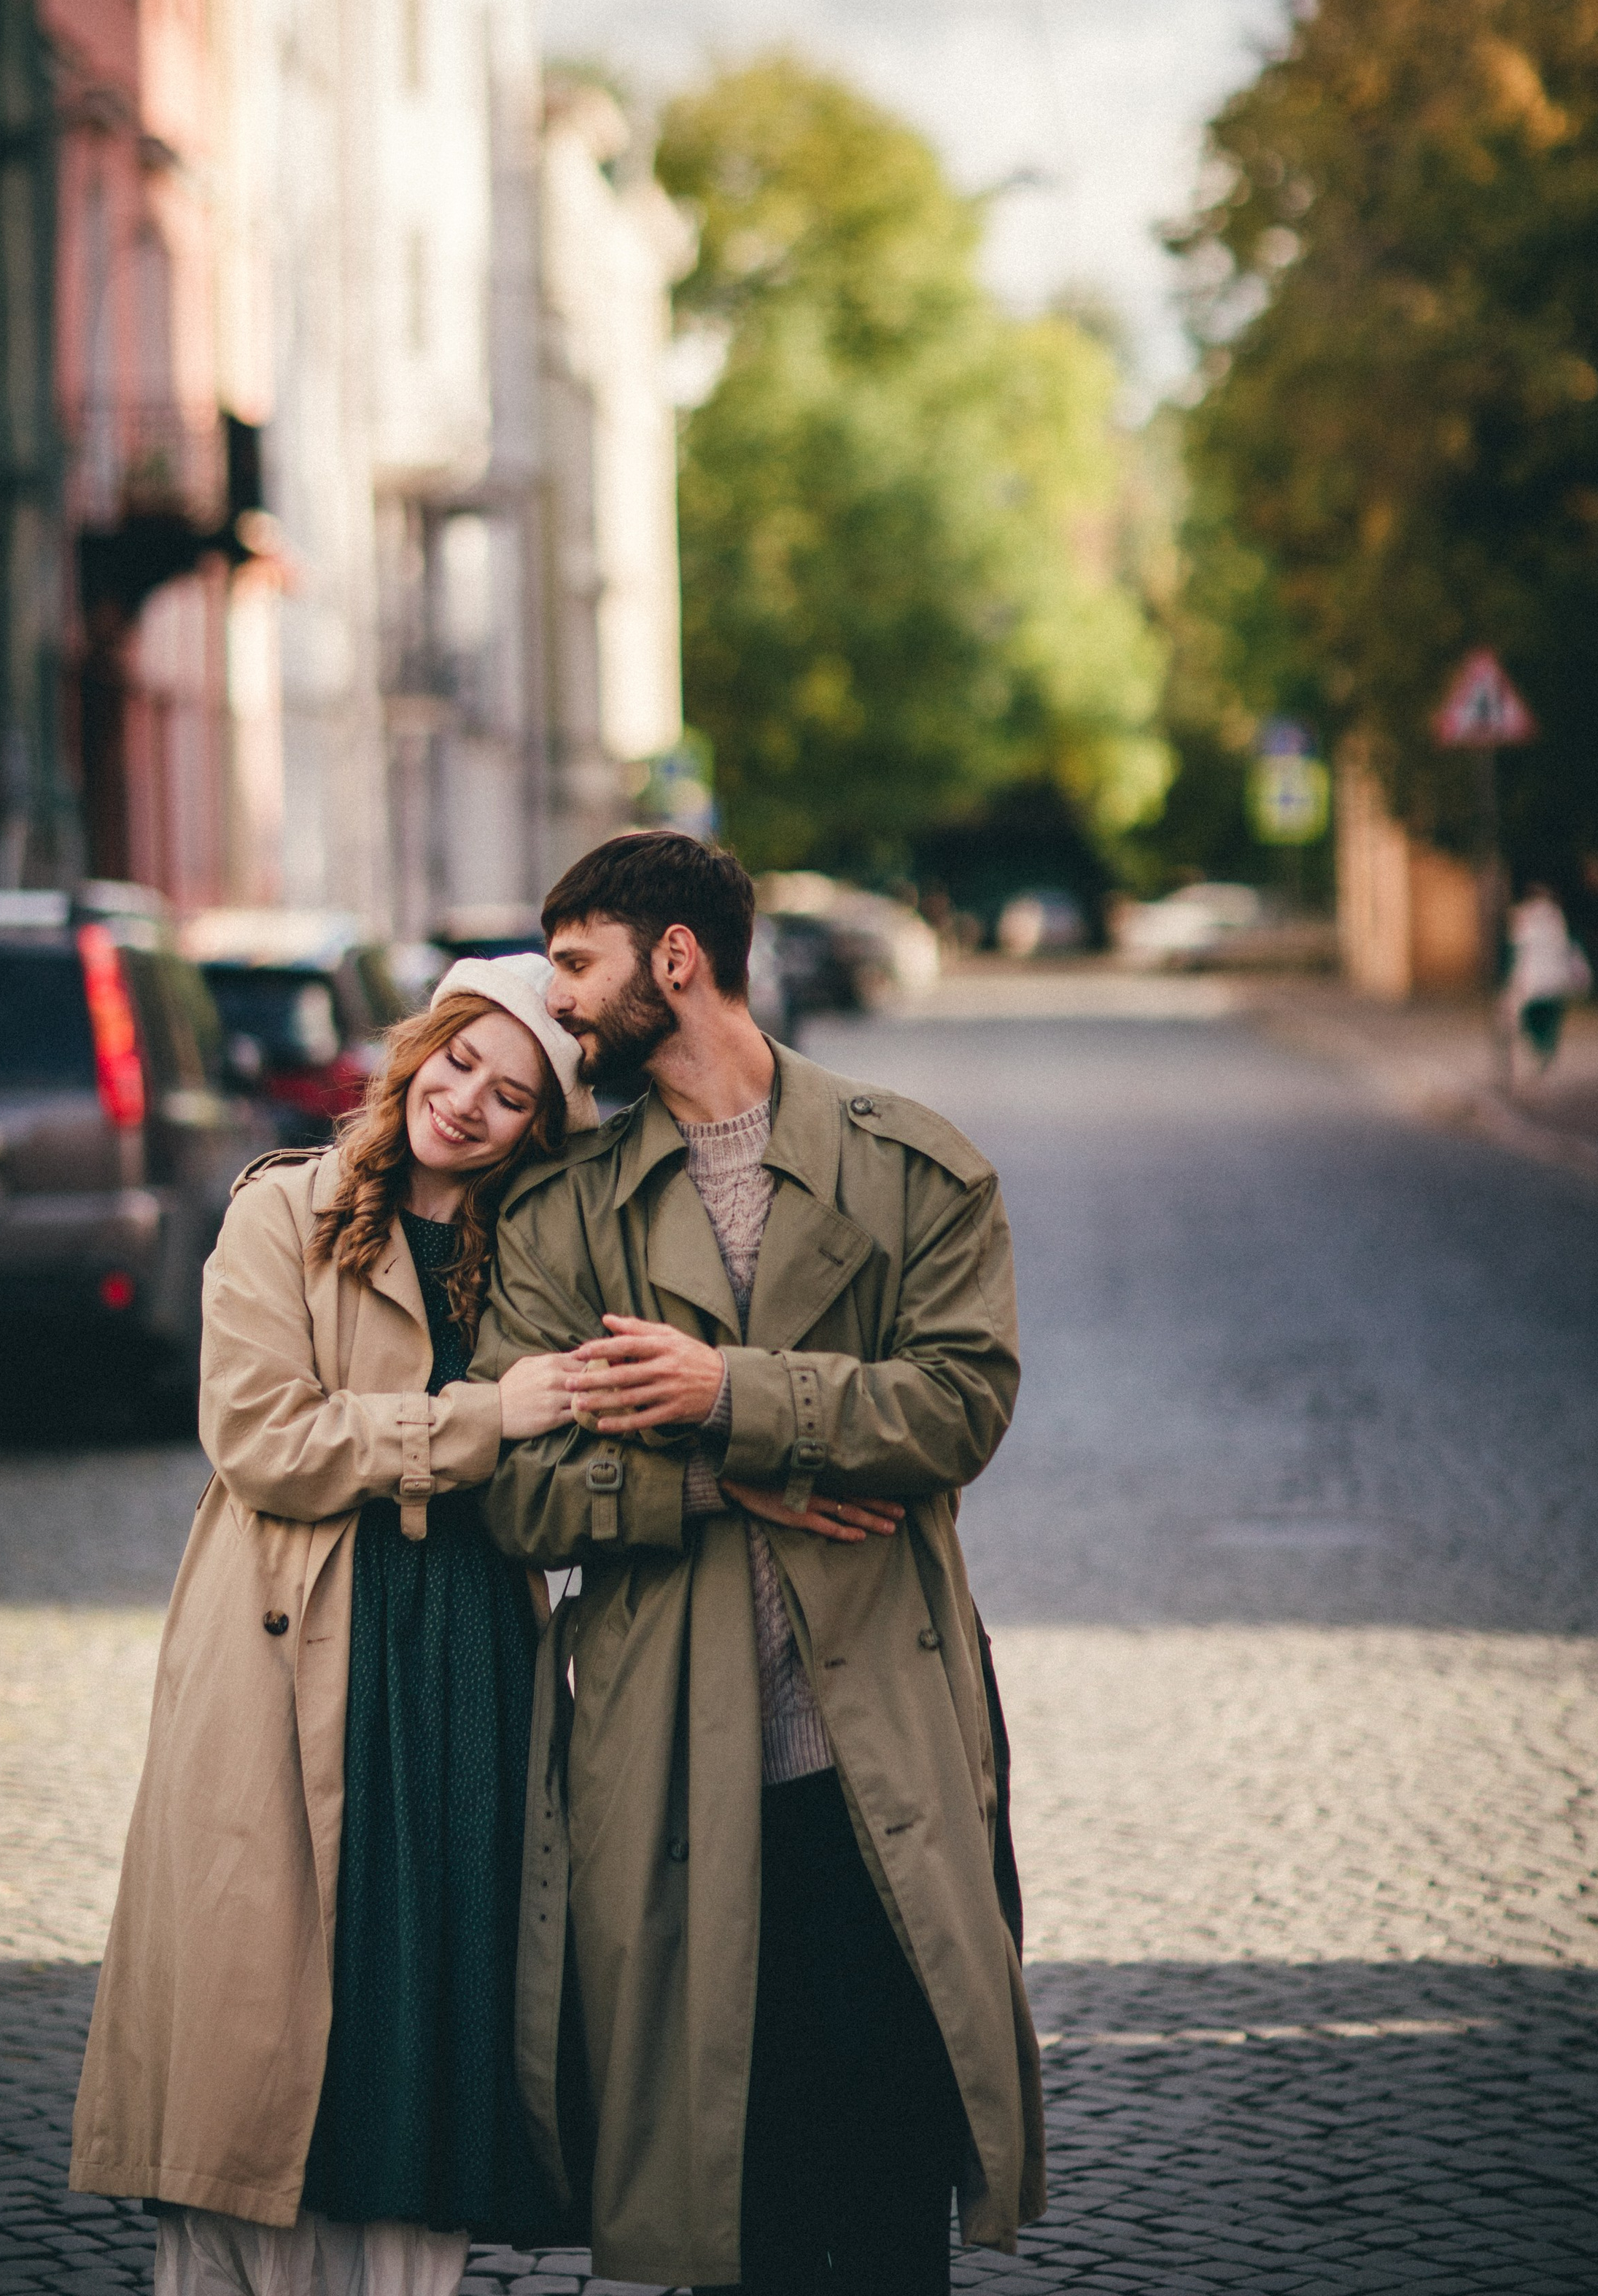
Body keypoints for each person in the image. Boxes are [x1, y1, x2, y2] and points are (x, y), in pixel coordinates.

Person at [476, 833, 1046, 2296]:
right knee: (735, 2204)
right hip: (671, 1766)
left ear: (678, 961)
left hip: (883, 1761)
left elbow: (958, 1406)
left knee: (886, 2190)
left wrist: (729, 1388)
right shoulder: (558, 1218)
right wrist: (724, 1477)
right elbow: (517, 1493)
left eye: (579, 967)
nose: (562, 1008)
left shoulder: (915, 1165)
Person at [70, 957, 593, 2296]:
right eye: (461, 1062)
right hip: (287, 1644)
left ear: (541, 1130)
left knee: (427, 2010)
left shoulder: (537, 1254)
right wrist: (488, 1418)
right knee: (263, 2019)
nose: (468, 1103)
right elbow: (266, 1440)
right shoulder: (283, 1211)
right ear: (417, 1048)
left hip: (467, 1655)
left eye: (513, 1097)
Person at [1503, 881, 1591, 1071]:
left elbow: (1515, 950)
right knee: (1551, 1019)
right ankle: (1547, 1050)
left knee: (1530, 1019)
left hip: (1531, 979)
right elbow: (1568, 947)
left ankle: (1538, 1049)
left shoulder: (1522, 916)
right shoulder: (1558, 916)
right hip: (1555, 979)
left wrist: (1511, 979)